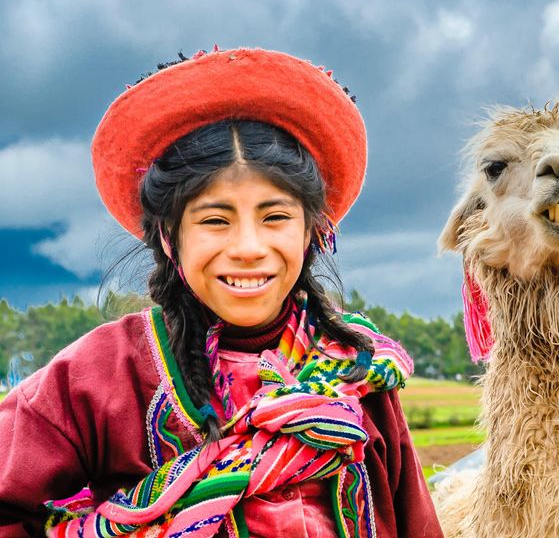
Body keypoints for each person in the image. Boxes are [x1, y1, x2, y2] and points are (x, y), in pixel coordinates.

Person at [0, 47, 442, 537]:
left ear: (312, 232)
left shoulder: (355, 368)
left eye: (275, 217)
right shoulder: (95, 379)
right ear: (170, 235)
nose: (249, 248)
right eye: (215, 220)